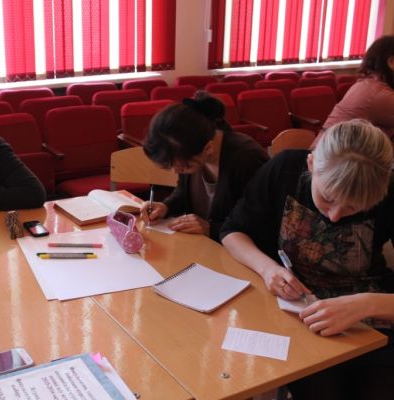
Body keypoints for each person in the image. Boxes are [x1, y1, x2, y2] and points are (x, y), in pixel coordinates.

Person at [221, 119, 394, 399]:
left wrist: (365, 304)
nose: (335, 216)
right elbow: (232, 232)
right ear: (312, 165)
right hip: (297, 316)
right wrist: (268, 269)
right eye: (327, 198)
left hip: (373, 322)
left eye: (354, 208)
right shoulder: (285, 169)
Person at [140, 91, 268, 241]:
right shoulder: (190, 148)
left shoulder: (247, 159)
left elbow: (260, 223)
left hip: (237, 249)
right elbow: (183, 193)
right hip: (204, 243)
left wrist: (210, 228)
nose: (176, 171)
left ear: (208, 148)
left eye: (184, 167)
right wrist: (166, 207)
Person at [322, 35, 394, 140]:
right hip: (336, 150)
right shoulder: (380, 96)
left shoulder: (368, 84)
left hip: (330, 148)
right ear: (391, 62)